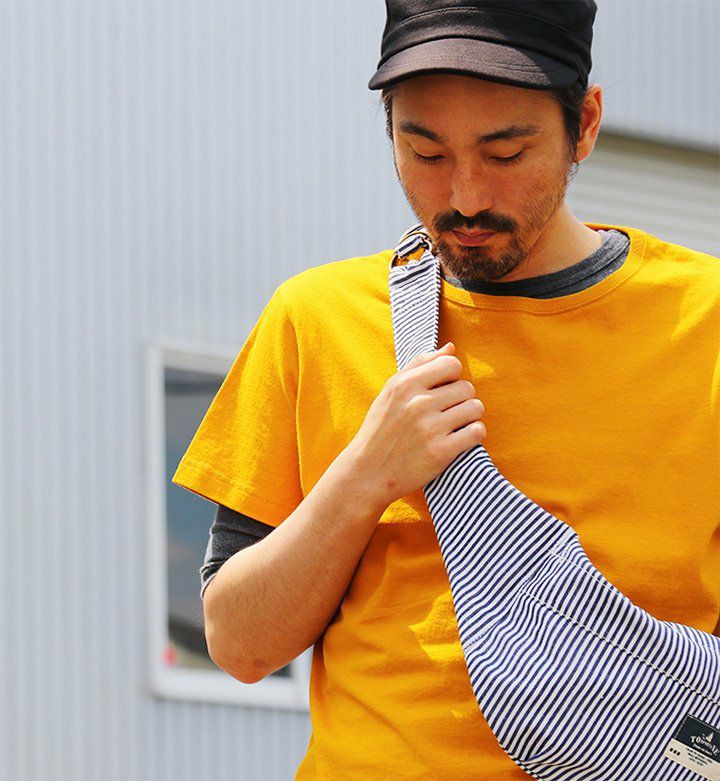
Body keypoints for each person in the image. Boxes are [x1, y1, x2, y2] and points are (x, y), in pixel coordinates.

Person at [172, 1, 720, 778]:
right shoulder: (316, 318)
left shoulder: (705, 326)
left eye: (505, 152)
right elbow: (238, 643)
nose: (463, 196)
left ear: (585, 125)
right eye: (424, 150)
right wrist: (366, 473)